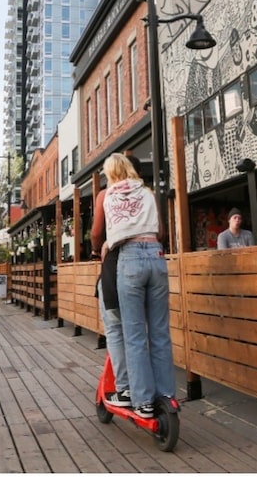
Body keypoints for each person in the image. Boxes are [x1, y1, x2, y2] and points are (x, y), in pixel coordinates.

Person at [101, 152, 174, 419]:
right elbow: (160, 231)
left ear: (111, 174)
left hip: (129, 259)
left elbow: (113, 233)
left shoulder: (108, 196)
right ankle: (166, 395)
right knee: (160, 333)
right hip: (155, 255)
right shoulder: (148, 192)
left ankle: (142, 401)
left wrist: (109, 243)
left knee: (133, 336)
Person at [90, 167, 130, 409]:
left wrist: (97, 248)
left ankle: (125, 388)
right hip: (147, 265)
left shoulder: (106, 195)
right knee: (139, 332)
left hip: (114, 266)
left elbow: (95, 232)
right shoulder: (143, 194)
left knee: (115, 330)